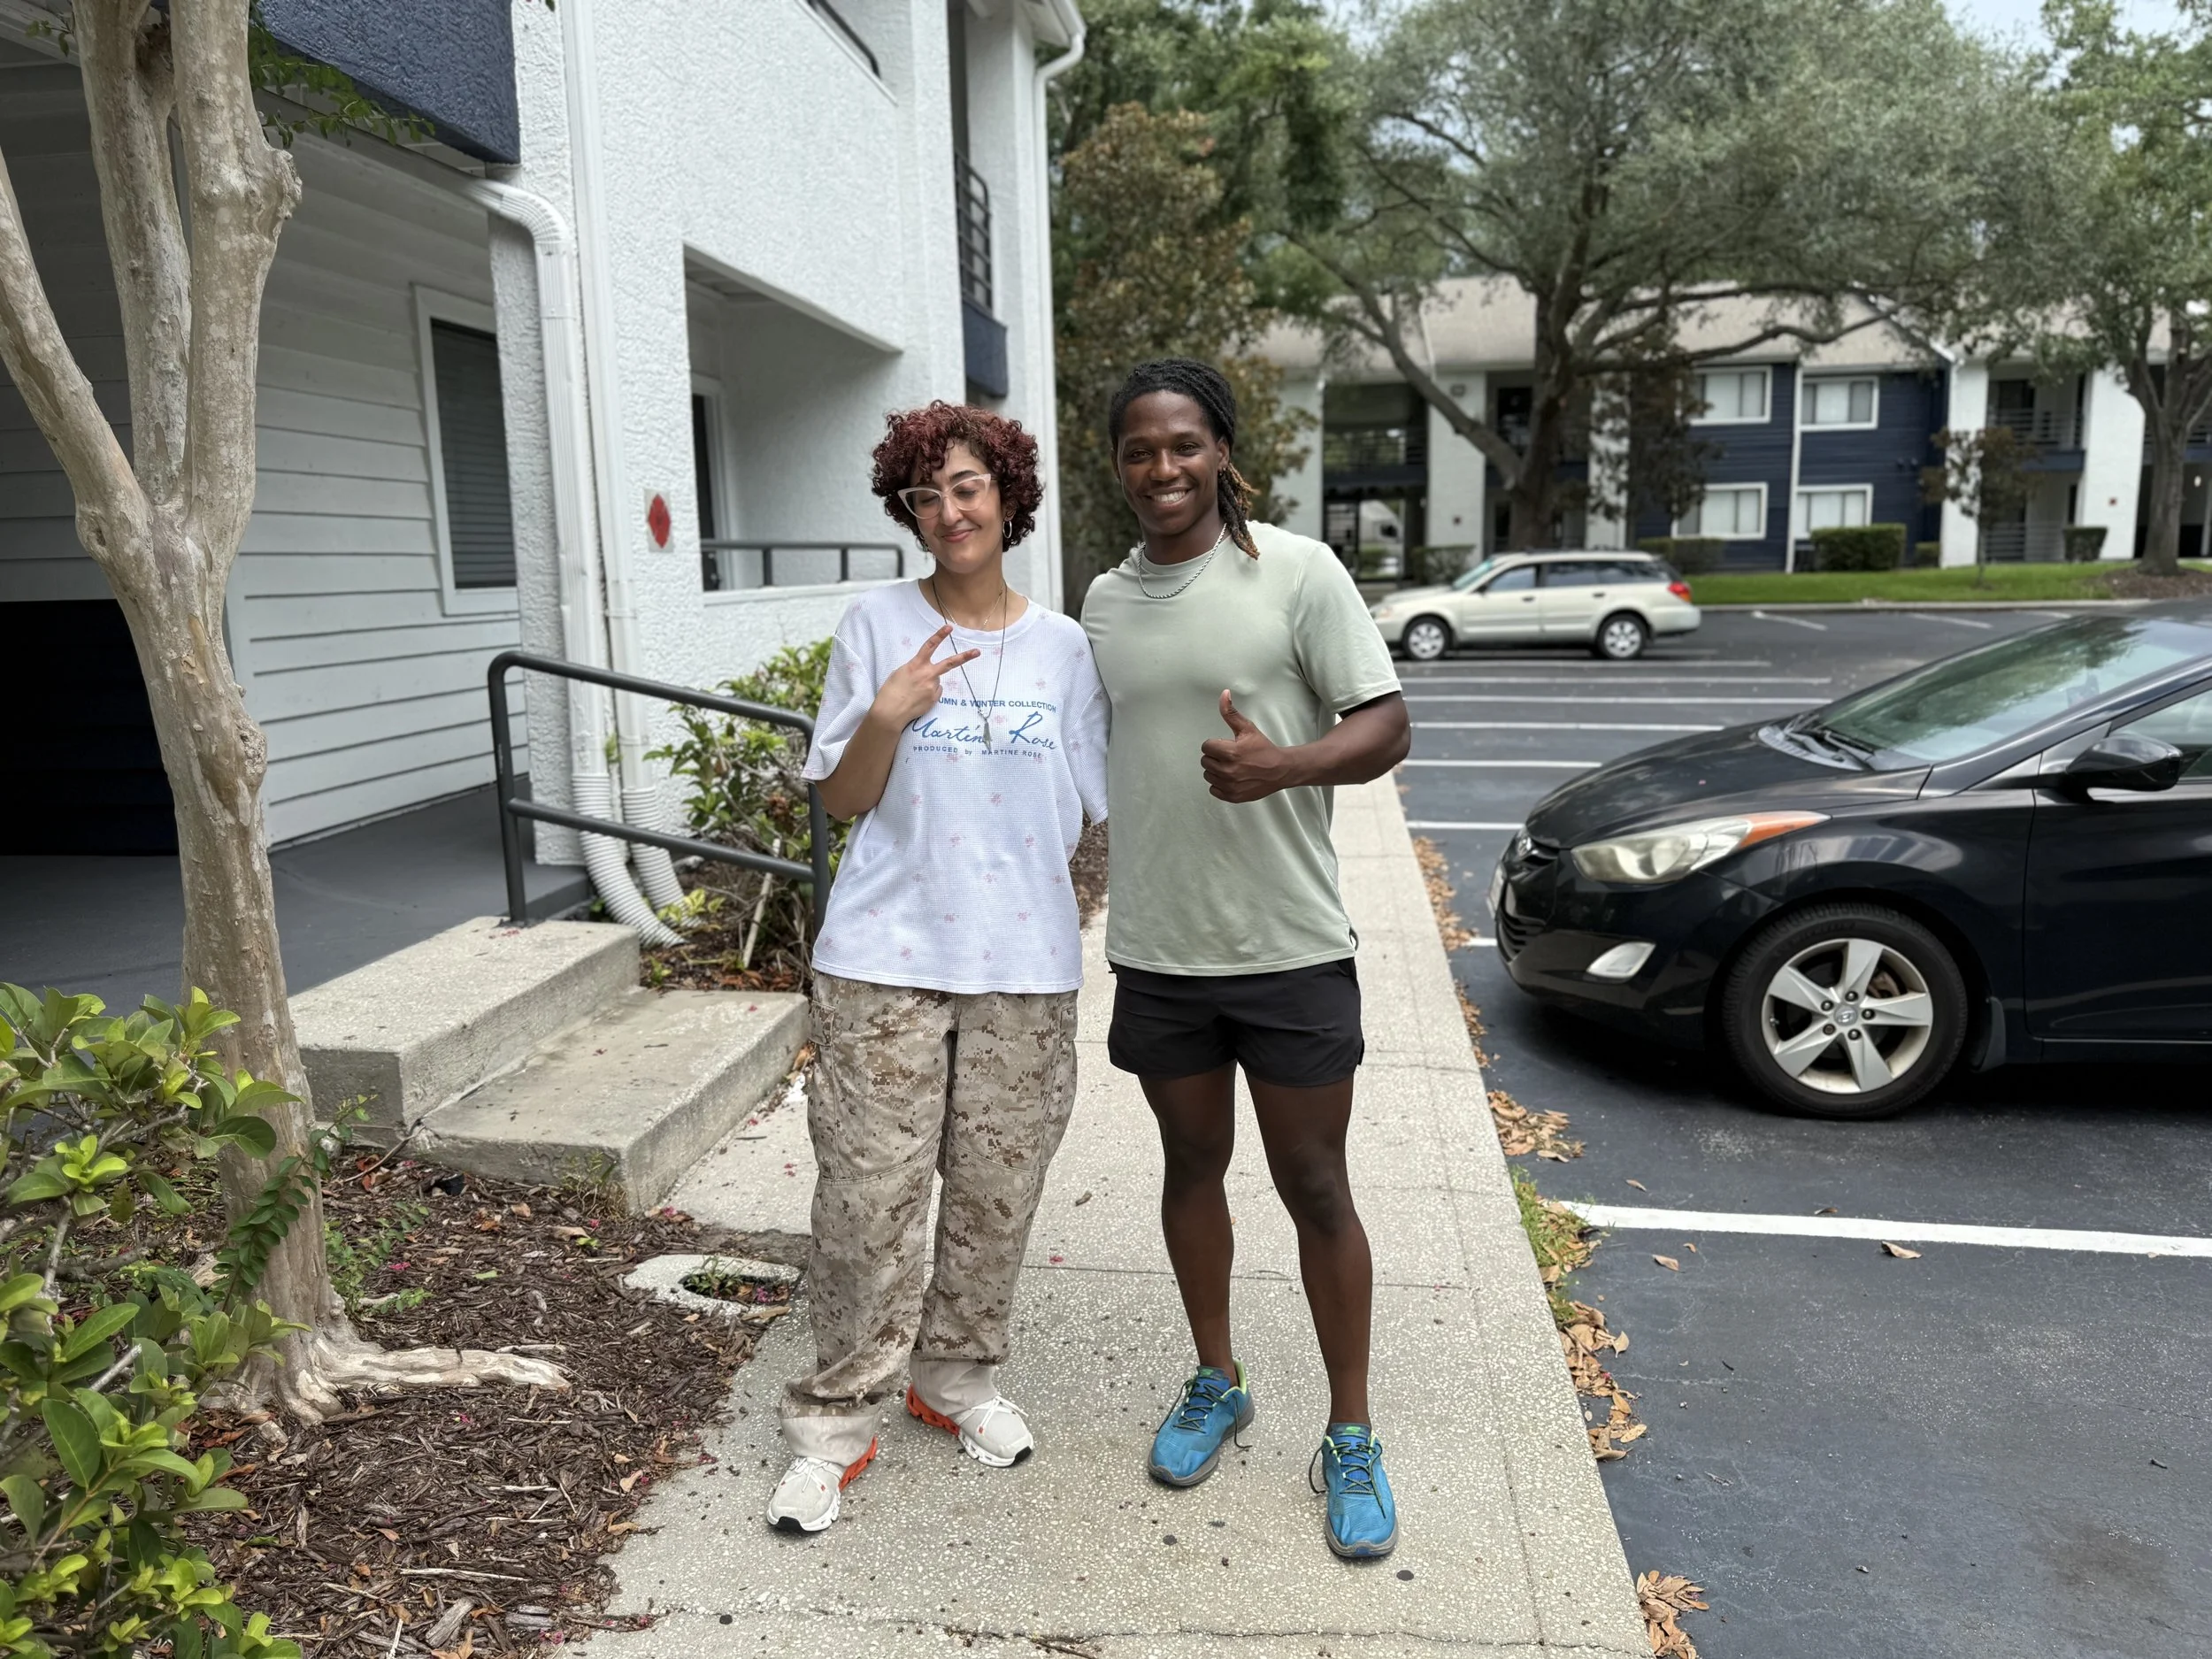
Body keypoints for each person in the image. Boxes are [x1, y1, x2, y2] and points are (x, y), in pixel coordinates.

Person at [1079, 358, 1411, 1560]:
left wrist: (1291, 763)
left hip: (1287, 943)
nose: (1161, 467)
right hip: (1162, 947)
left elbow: (1387, 720)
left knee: (1316, 1183)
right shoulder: (1104, 603)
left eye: (1182, 444)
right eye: (1137, 450)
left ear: (1221, 449)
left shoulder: (1298, 572)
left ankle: (1353, 1430)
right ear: (1116, 466)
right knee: (1189, 1165)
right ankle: (1217, 1377)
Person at [767, 403, 1109, 1534]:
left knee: (996, 1197)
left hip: (1022, 965)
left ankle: (953, 1380)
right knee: (868, 1197)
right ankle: (834, 1418)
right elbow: (840, 797)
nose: (947, 511)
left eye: (966, 486)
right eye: (924, 495)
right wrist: (888, 714)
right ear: (907, 512)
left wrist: (1057, 919)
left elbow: (1095, 818)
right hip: (883, 958)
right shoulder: (875, 627)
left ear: (1007, 495)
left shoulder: (1065, 650)